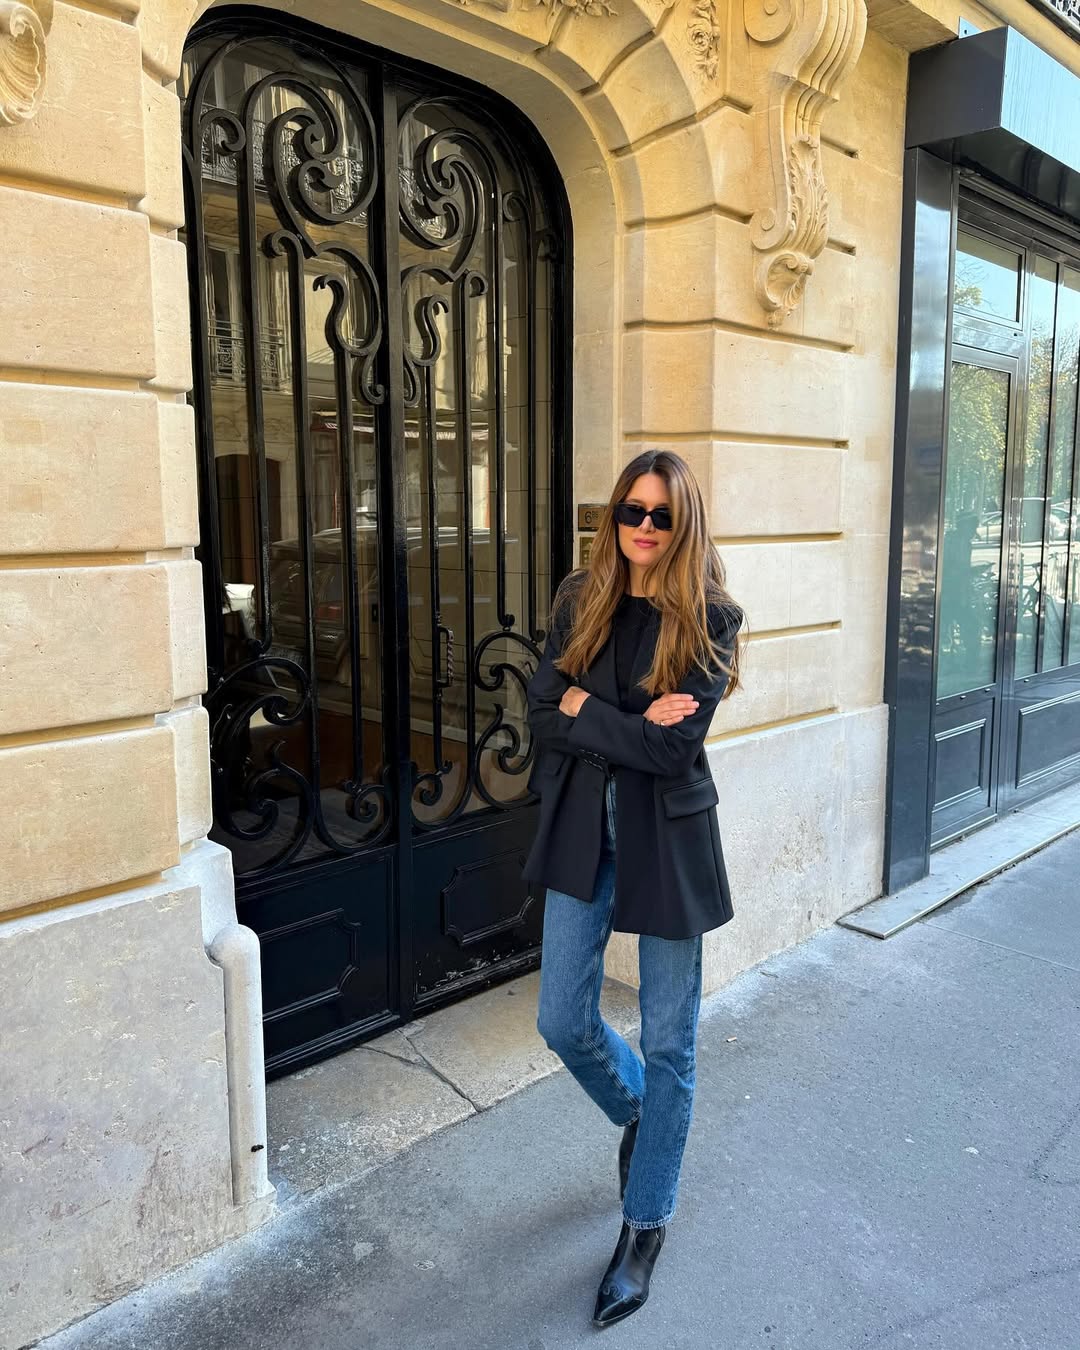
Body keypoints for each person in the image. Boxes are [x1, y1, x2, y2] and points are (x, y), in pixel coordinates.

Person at [524, 448, 743, 1328]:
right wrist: (603, 716)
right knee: (561, 1020)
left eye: (661, 515)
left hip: (668, 843)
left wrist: (586, 712)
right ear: (612, 516)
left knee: (671, 1044)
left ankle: (644, 1224)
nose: (644, 528)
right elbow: (540, 710)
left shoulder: (713, 618)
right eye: (631, 512)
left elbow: (669, 751)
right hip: (585, 829)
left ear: (683, 523)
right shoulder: (582, 598)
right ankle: (646, 1124)